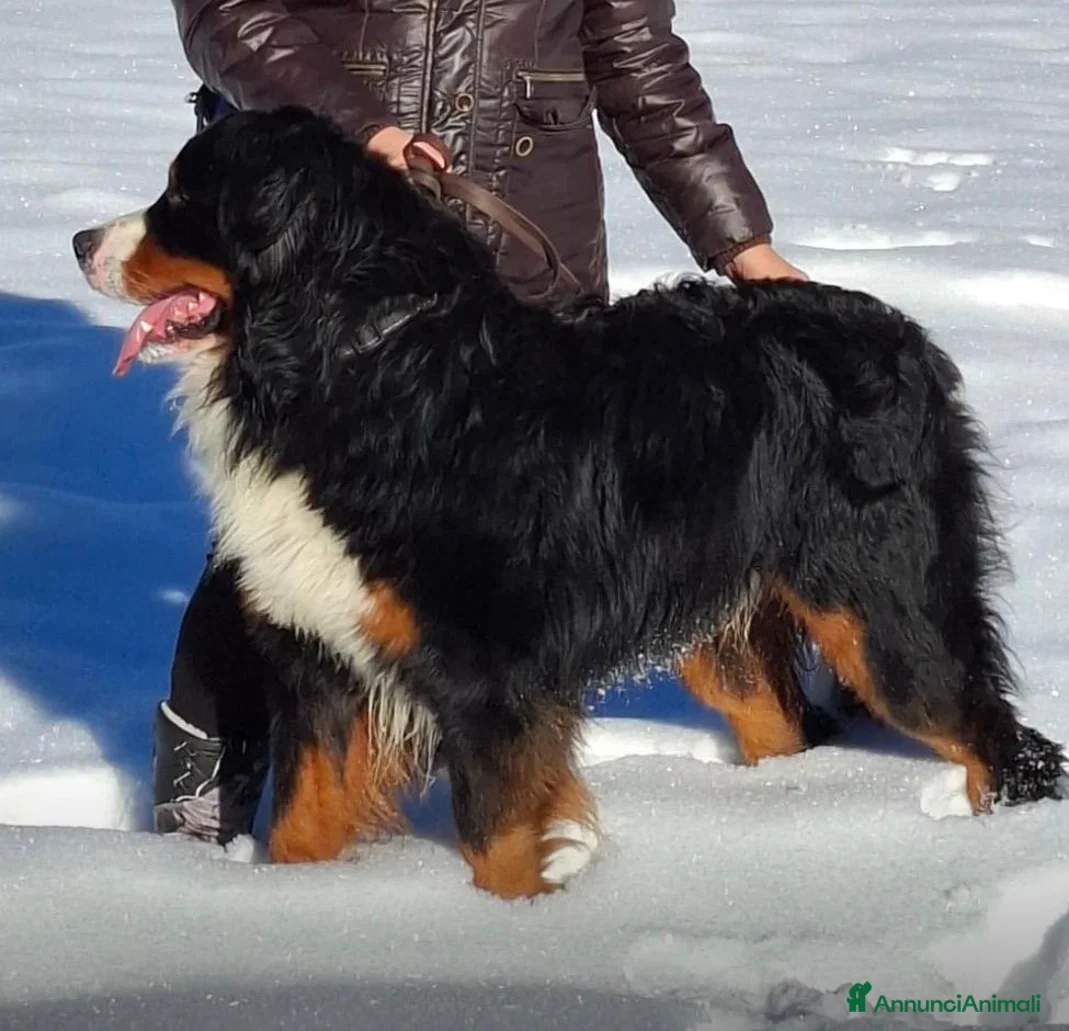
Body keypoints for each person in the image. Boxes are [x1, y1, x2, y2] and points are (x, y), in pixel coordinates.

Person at [155, 0, 808, 844]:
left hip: (529, 237)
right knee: (285, 533)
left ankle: (519, 800)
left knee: (529, 560)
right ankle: (218, 759)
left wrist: (740, 242)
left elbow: (635, 55)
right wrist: (359, 128)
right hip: (318, 237)